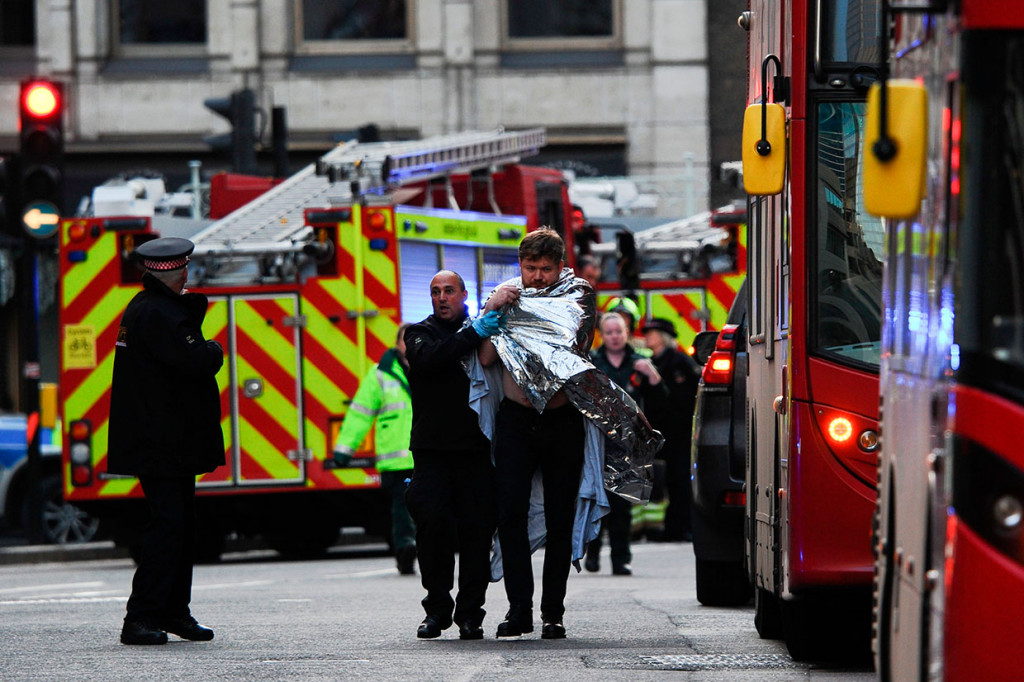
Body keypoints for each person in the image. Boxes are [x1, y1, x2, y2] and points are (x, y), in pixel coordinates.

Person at [107, 237, 225, 646]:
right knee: (168, 527)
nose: (187, 273)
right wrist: (214, 350)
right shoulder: (159, 312)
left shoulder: (148, 308)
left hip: (166, 440)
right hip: (162, 442)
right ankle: (141, 617)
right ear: (175, 271)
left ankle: (175, 611)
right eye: (184, 267)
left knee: (181, 526)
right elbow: (196, 360)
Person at [478, 228, 594, 640]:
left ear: (560, 266)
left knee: (561, 518)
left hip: (561, 421)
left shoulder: (577, 296)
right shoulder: (505, 297)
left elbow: (574, 347)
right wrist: (492, 307)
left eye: (546, 268)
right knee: (510, 513)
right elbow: (486, 357)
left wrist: (527, 316)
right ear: (520, 266)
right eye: (531, 268)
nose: (538, 276)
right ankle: (519, 609)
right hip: (516, 419)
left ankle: (553, 613)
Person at [403, 270, 509, 640]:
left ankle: (470, 614)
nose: (442, 297)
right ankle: (436, 610)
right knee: (432, 528)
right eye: (436, 292)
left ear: (464, 294)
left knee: (477, 534)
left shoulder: (482, 331)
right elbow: (430, 359)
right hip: (432, 452)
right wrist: (474, 333)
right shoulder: (420, 333)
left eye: (449, 290)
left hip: (475, 451)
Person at [586, 311, 667, 575]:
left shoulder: (638, 362)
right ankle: (592, 552)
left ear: (627, 333)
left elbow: (662, 402)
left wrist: (652, 376)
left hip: (627, 443)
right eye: (609, 332)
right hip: (598, 441)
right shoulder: (592, 362)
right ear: (602, 335)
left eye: (618, 331)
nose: (614, 337)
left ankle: (621, 558)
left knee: (622, 503)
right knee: (596, 500)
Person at [333, 323, 416, 574]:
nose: (409, 344)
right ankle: (405, 549)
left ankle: (420, 549)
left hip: (426, 455)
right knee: (402, 508)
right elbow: (361, 412)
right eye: (405, 340)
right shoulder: (380, 374)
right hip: (397, 459)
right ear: (396, 344)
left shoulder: (430, 365)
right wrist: (345, 449)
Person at [642, 317, 701, 542]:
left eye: (652, 333)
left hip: (680, 433)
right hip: (658, 434)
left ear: (663, 337)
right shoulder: (649, 363)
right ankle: (670, 527)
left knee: (680, 481)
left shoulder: (679, 362)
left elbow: (690, 398)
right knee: (666, 482)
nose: (647, 337)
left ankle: (682, 527)